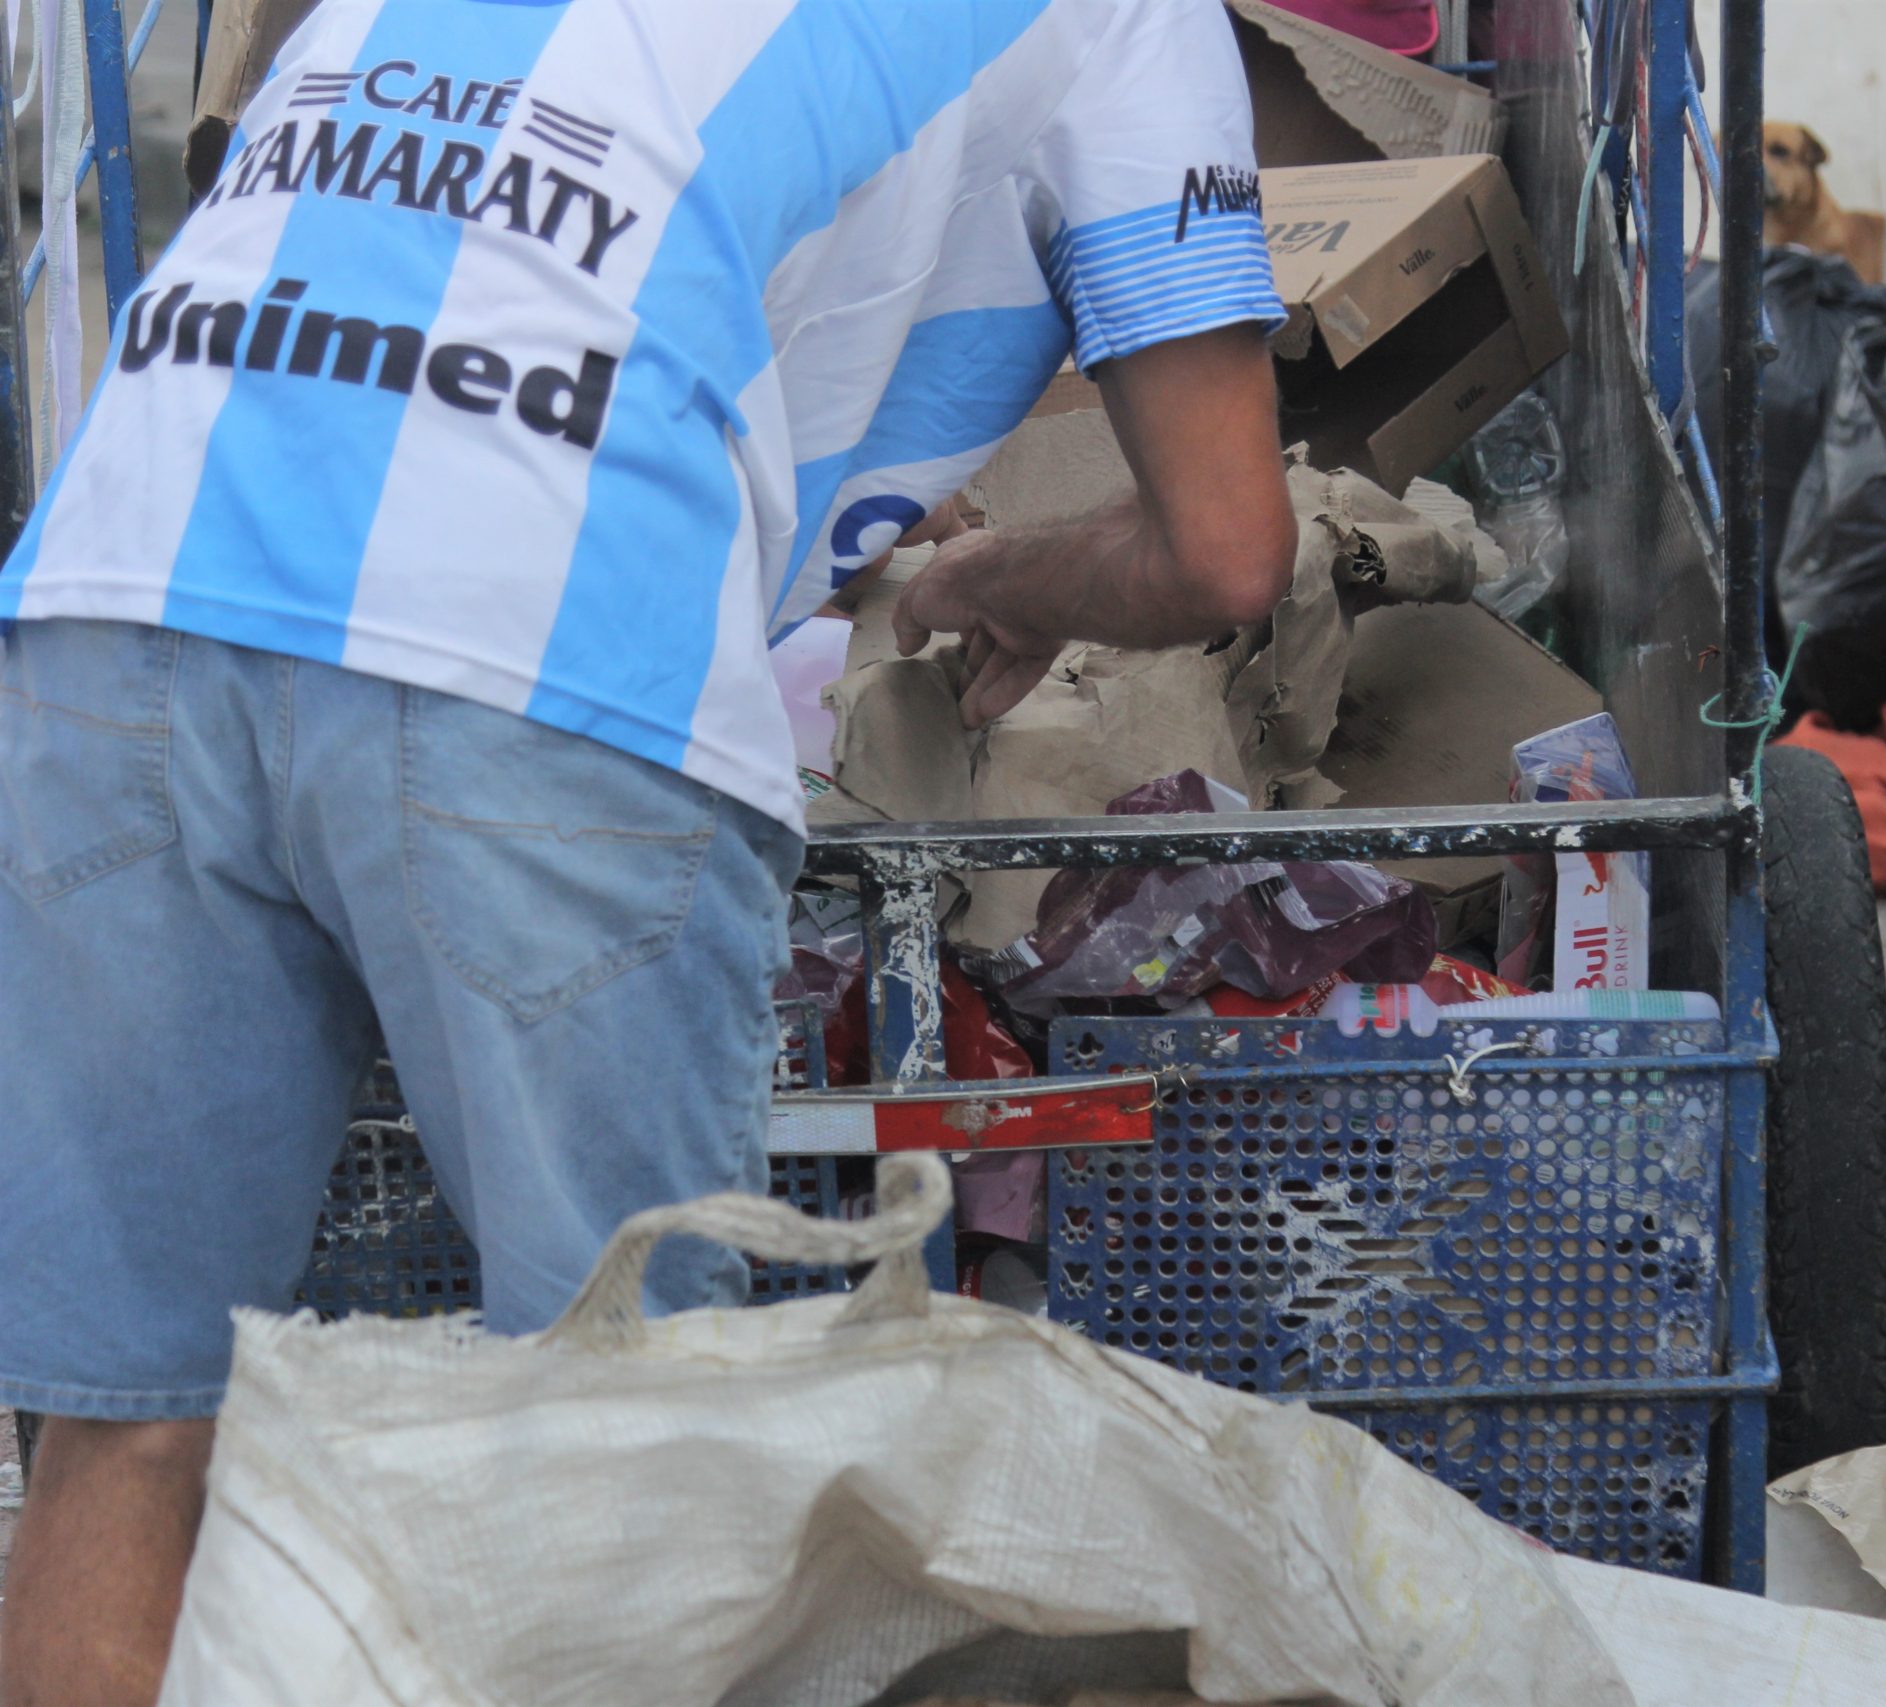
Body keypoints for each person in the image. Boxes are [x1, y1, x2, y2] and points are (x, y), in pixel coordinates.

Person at [0, 3, 1296, 1702]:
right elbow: (1226, 546)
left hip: (122, 571)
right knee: (629, 1441)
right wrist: (1005, 581)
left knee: (125, 1427)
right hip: (540, 615)